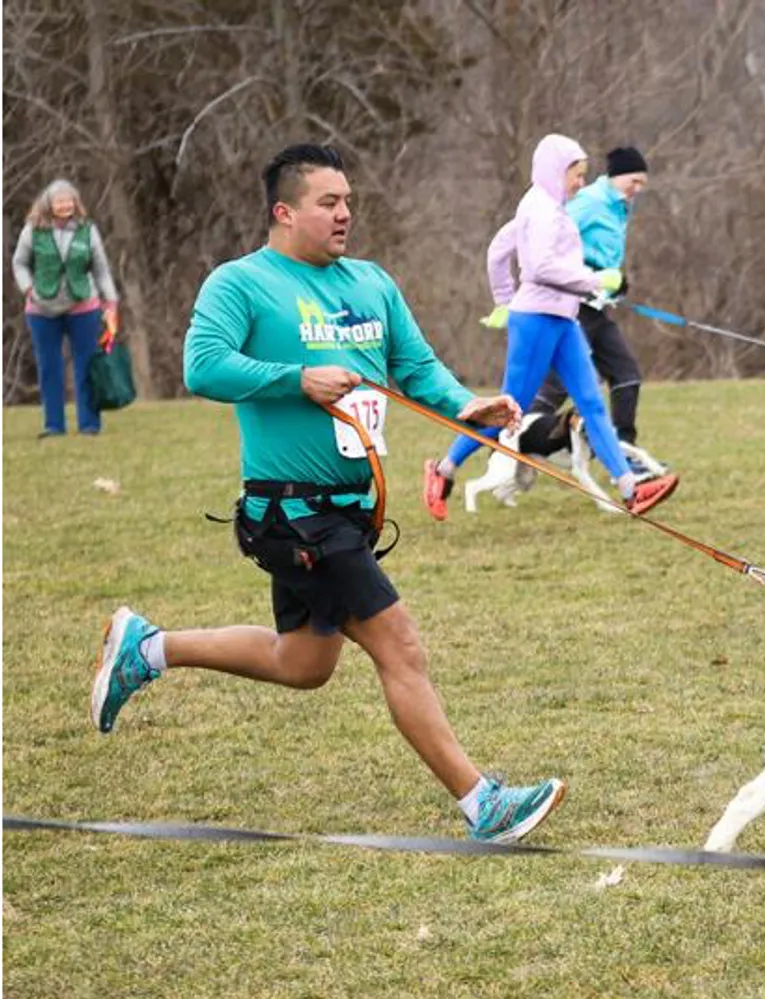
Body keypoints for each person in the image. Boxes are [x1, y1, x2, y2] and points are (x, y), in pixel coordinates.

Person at [90, 143, 566, 843]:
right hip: (291, 511)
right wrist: (297, 377)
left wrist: (467, 405)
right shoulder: (241, 283)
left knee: (303, 664)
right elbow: (204, 367)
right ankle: (482, 804)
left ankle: (149, 648)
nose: (345, 214)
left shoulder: (371, 282)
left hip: (351, 511)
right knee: (400, 646)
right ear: (284, 211)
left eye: (348, 201)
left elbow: (414, 365)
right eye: (328, 202)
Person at [424, 134, 678, 518]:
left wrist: (503, 299)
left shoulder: (553, 207)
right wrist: (595, 281)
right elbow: (540, 268)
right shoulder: (540, 209)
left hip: (563, 317)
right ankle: (443, 470)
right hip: (537, 320)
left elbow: (498, 250)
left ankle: (631, 490)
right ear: (554, 172)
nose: (580, 182)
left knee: (591, 400)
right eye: (575, 174)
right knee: (511, 410)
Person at [522, 144, 668, 475]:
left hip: (598, 307)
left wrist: (617, 280)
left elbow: (605, 251)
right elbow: (552, 241)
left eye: (643, 183)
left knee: (627, 375)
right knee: (556, 386)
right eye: (634, 181)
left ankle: (624, 453)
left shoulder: (620, 207)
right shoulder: (589, 202)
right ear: (615, 177)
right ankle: (513, 444)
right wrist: (586, 273)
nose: (638, 189)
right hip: (573, 305)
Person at [12, 178, 120, 436]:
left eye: (69, 200)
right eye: (59, 201)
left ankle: (89, 424)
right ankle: (53, 425)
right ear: (48, 204)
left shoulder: (87, 229)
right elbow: (20, 263)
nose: (64, 205)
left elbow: (101, 268)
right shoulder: (32, 230)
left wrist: (111, 301)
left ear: (75, 202)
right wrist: (29, 289)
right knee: (49, 367)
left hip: (83, 306)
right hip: (42, 310)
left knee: (86, 365)